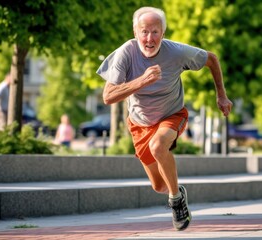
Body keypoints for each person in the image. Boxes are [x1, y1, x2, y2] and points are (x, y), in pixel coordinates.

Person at [96, 6, 232, 231]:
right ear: (135, 32)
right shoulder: (125, 53)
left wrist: (222, 95)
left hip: (172, 114)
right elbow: (108, 97)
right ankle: (175, 190)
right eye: (144, 31)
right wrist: (141, 81)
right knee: (159, 185)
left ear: (163, 33)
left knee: (158, 146)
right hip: (140, 123)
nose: (149, 38)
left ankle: (176, 201)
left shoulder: (176, 52)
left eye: (155, 32)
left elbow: (212, 59)